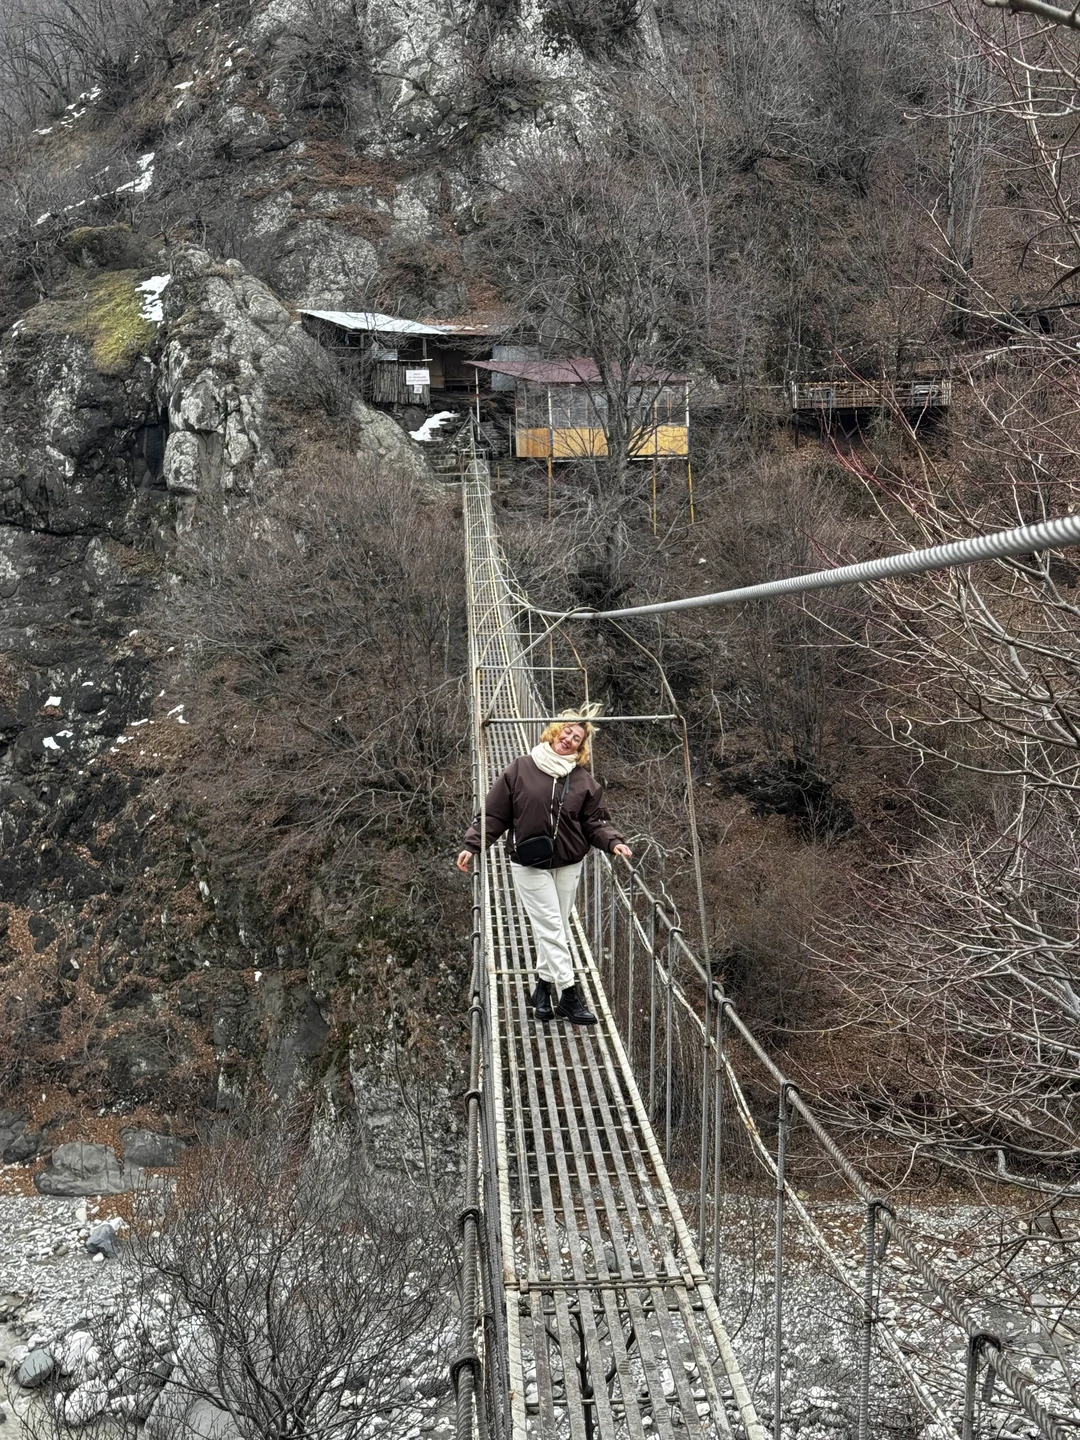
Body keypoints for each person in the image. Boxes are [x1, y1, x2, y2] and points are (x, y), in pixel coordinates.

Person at [456, 711, 633, 1025]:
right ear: (553, 732)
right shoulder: (521, 768)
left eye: (576, 739)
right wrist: (473, 845)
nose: (568, 740)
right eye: (565, 733)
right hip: (529, 863)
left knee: (557, 930)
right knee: (552, 927)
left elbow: (595, 823)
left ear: (581, 749)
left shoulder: (583, 781)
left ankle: (542, 990)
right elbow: (495, 815)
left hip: (569, 863)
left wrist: (612, 842)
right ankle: (569, 996)